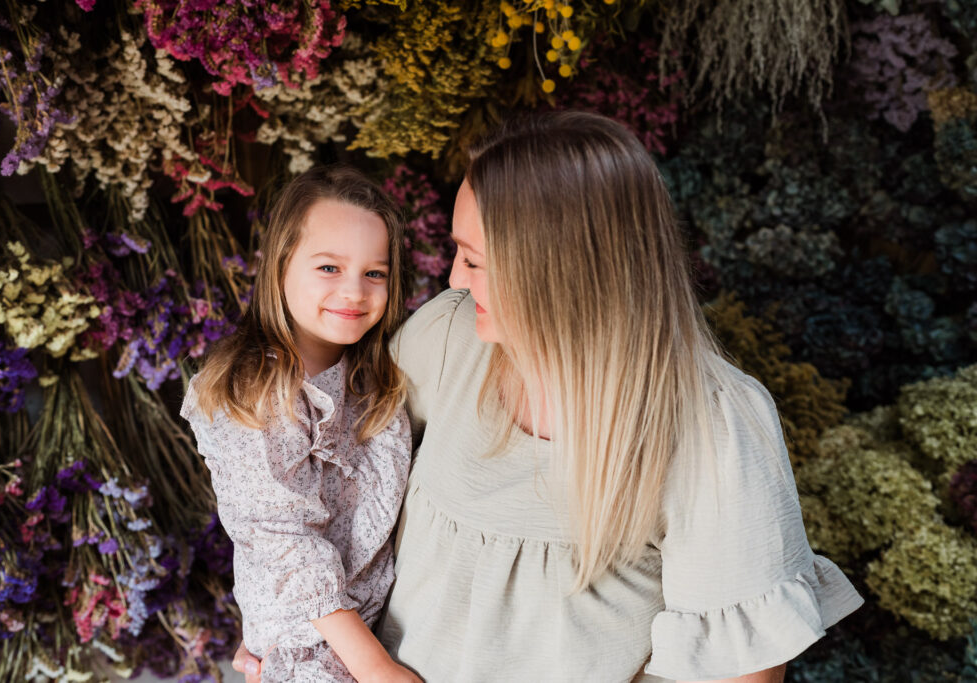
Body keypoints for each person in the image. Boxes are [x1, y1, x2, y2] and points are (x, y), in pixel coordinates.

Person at [233, 112, 864, 682]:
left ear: (560, 268)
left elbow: (739, 677)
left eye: (474, 261)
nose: (453, 279)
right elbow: (308, 489)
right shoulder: (451, 337)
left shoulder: (713, 427)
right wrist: (289, 631)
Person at [181, 166, 422, 682]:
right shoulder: (249, 389)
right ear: (281, 266)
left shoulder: (374, 376)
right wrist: (377, 670)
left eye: (374, 273)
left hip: (377, 626)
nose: (355, 291)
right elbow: (283, 539)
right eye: (330, 268)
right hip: (309, 648)